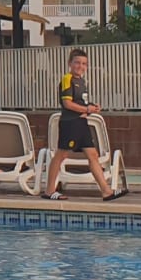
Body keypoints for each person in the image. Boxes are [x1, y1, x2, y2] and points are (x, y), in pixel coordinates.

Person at [43, 49, 121, 199]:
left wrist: (92, 107)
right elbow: (67, 103)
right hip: (70, 123)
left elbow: (80, 102)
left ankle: (106, 191)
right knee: (61, 155)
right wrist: (86, 109)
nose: (81, 66)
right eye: (77, 62)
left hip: (81, 123)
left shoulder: (82, 82)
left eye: (84, 63)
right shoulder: (67, 79)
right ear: (70, 63)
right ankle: (49, 191)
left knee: (93, 154)